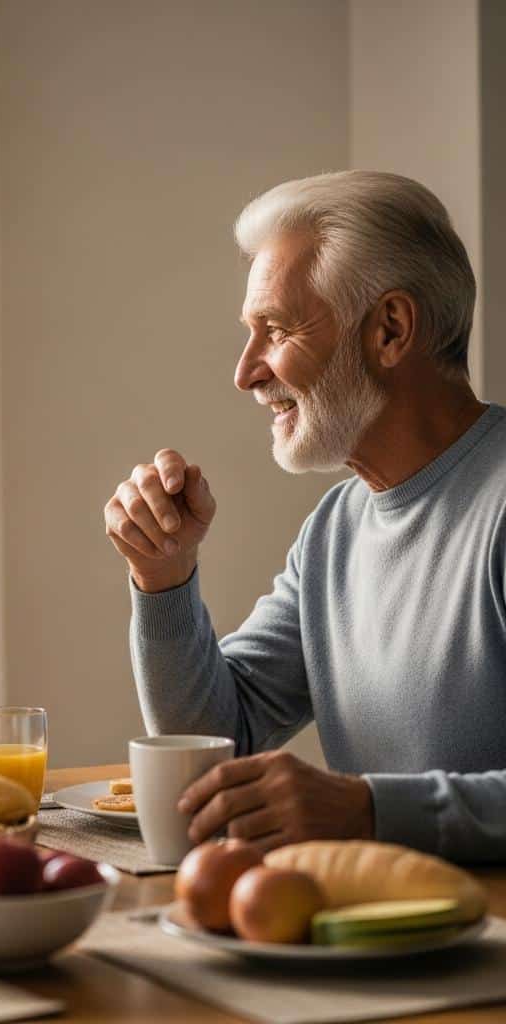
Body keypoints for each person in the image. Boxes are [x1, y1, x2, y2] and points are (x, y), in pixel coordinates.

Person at [104, 170, 506, 863]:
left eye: (277, 330)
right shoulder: (335, 530)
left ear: (390, 329)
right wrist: (163, 577)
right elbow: (214, 740)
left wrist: (370, 810)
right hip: (383, 942)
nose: (246, 372)